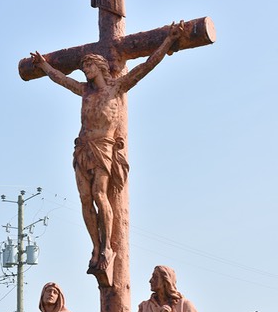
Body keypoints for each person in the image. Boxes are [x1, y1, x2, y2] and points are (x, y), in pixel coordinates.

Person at [30, 22, 183, 272]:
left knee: (100, 195)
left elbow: (146, 67)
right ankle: (95, 244)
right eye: (83, 67)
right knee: (84, 198)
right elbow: (61, 79)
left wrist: (167, 42)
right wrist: (44, 66)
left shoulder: (117, 87)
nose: (84, 70)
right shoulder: (84, 91)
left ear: (100, 66)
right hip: (83, 148)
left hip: (104, 147)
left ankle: (106, 248)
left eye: (88, 65)